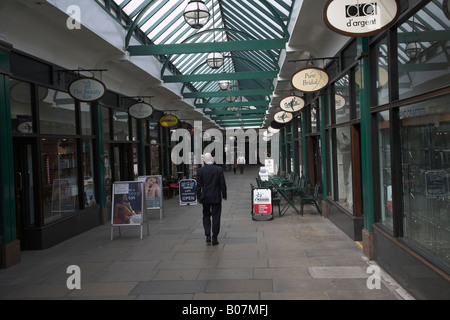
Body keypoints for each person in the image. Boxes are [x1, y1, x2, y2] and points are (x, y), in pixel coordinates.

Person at [196, 153, 227, 245]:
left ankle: (207, 234)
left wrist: (198, 197)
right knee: (216, 216)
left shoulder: (200, 171)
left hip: (205, 197)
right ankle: (215, 237)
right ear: (212, 160)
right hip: (216, 197)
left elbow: (198, 186)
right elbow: (222, 183)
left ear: (204, 161)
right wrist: (224, 195)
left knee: (206, 215)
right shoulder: (218, 169)